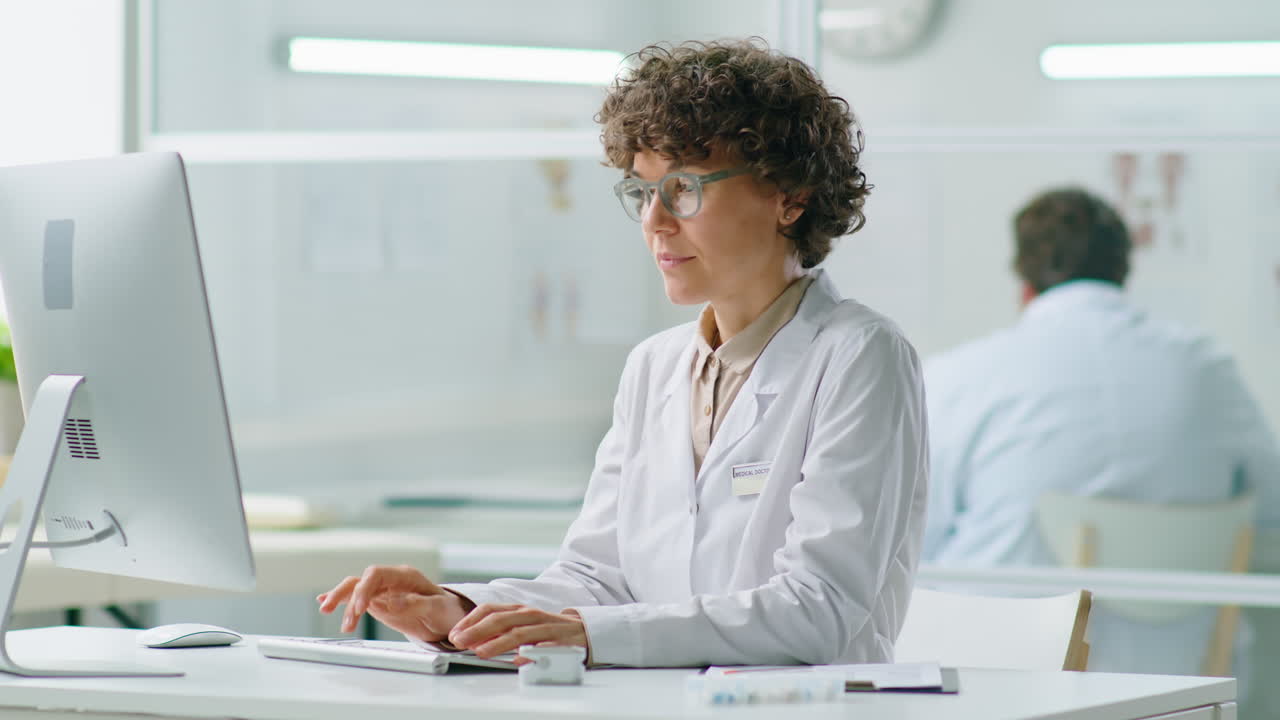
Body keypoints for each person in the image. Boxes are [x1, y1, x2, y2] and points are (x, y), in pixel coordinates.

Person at [316, 39, 928, 668]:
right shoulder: (654, 367)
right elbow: (599, 578)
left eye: (685, 188)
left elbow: (817, 610)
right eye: (642, 192)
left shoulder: (860, 357)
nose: (655, 221)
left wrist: (593, 633)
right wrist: (462, 611)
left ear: (789, 197)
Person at [923, 187, 1280, 676]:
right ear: (1123, 275)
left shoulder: (960, 378)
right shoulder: (1209, 372)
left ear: (1025, 288)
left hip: (1005, 681)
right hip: (1181, 682)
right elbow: (1270, 509)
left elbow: (908, 540)